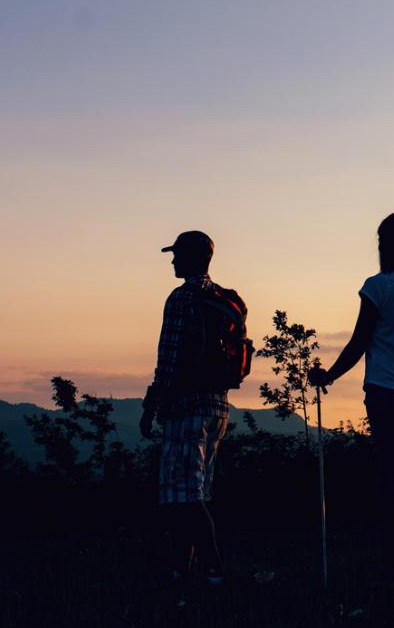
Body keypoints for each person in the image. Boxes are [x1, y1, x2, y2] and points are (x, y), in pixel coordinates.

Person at [308, 211, 394, 586]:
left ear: (384, 244)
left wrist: (329, 376)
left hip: (386, 396)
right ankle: (391, 570)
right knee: (392, 485)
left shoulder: (377, 287)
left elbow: (359, 341)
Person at [139, 230, 238, 587]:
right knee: (189, 493)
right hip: (218, 407)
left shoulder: (182, 298)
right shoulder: (222, 300)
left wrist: (151, 407)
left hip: (186, 408)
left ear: (194, 258)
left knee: (186, 497)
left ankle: (214, 571)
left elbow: (169, 357)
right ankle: (181, 570)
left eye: (177, 254)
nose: (173, 260)